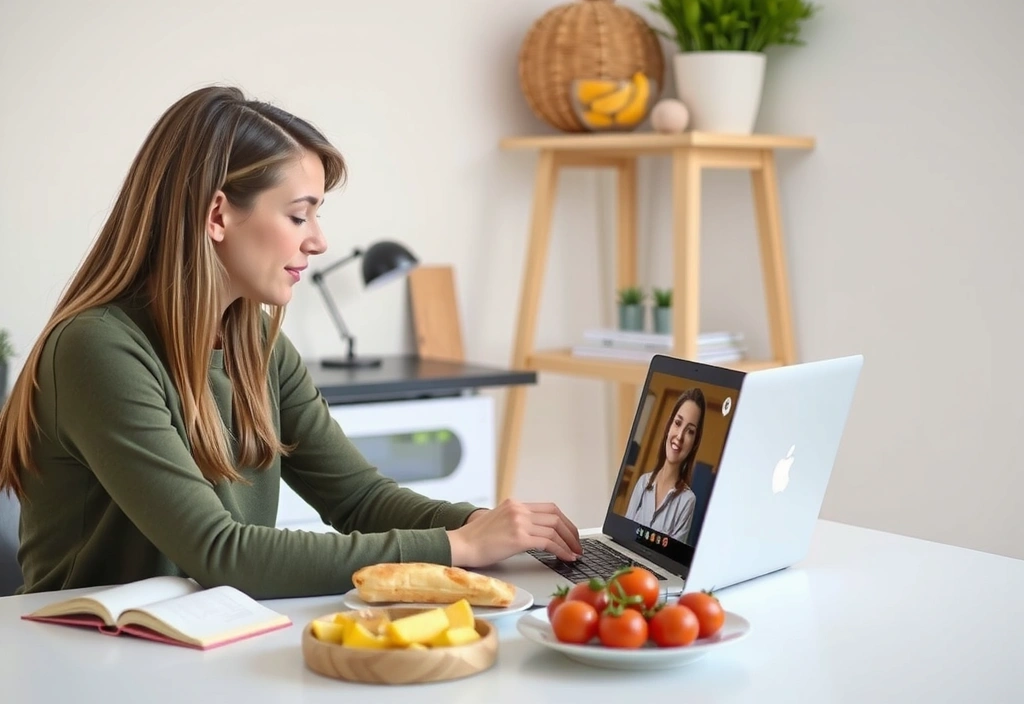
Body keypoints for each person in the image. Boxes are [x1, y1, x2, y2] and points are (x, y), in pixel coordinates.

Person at [0, 85, 581, 599]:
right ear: (218, 215)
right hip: (83, 653)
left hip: (198, 640)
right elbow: (221, 554)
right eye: (300, 216)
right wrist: (459, 547)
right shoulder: (97, 349)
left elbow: (358, 500)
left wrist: (489, 527)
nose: (319, 241)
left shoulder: (256, 341)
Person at [623, 388, 706, 542]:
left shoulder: (687, 501)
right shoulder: (643, 483)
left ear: (694, 443)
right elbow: (623, 536)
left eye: (690, 431)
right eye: (678, 423)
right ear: (669, 426)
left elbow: (672, 554)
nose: (680, 436)